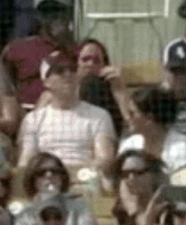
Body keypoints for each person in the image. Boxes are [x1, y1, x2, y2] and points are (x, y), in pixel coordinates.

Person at [17, 51, 116, 182]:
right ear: (46, 81)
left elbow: (104, 159)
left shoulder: (99, 116)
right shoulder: (33, 120)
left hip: (85, 181)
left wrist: (76, 176)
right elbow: (26, 161)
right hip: (46, 180)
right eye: (59, 70)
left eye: (72, 69)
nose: (68, 74)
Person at [1, 0, 76, 107]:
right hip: (26, 110)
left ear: (68, 13)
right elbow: (4, 88)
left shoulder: (81, 50)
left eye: (58, 9)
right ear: (37, 15)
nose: (53, 16)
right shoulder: (18, 48)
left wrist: (65, 41)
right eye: (46, 11)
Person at [10, 151, 96, 225]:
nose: (49, 175)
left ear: (62, 177)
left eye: (55, 171)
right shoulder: (25, 216)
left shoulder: (80, 208)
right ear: (33, 180)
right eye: (41, 173)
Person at [116, 88, 186, 174]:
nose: (127, 118)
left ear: (149, 118)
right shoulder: (129, 145)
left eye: (132, 113)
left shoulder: (182, 148)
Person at [110, 150, 168, 225]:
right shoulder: (121, 214)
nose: (131, 178)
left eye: (138, 172)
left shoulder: (167, 211)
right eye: (125, 174)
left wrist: (136, 212)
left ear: (154, 175)